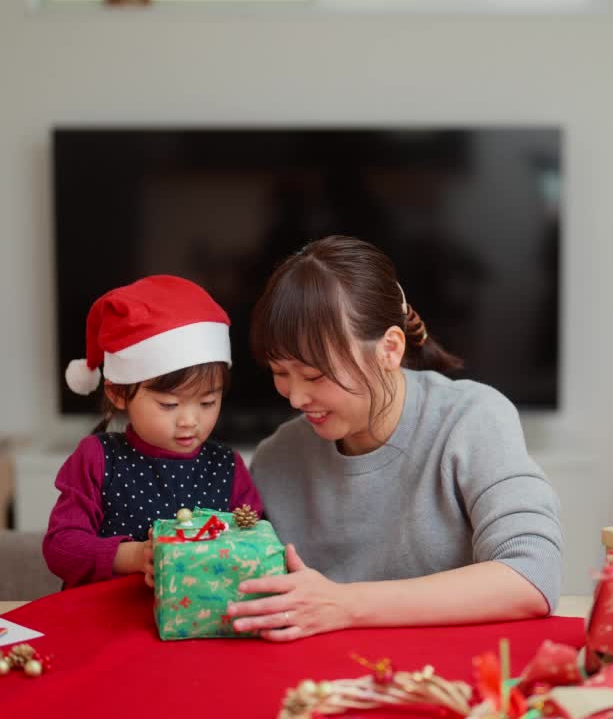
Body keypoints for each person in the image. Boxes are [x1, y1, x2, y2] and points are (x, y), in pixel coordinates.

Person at [229, 235, 563, 641]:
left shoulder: (471, 420)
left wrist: (344, 606)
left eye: (315, 375)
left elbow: (533, 574)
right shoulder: (276, 459)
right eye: (280, 374)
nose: (297, 397)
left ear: (389, 348)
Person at [42, 275, 262, 588]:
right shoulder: (97, 459)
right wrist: (133, 556)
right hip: (104, 620)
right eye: (169, 405)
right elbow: (60, 548)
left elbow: (253, 543)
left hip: (198, 622)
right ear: (119, 394)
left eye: (207, 402)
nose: (189, 420)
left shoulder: (227, 467)